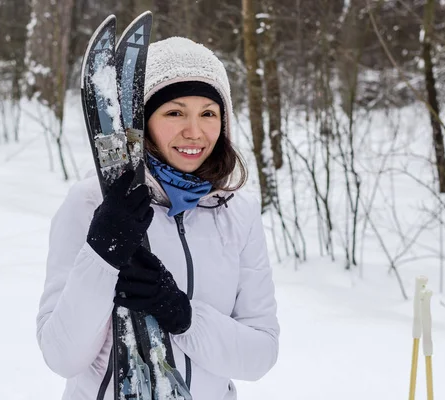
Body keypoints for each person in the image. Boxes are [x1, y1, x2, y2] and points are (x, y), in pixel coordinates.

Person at [36, 36, 279, 400]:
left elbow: (260, 355)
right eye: (175, 112)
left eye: (208, 113)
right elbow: (62, 356)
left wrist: (183, 316)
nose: (194, 132)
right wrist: (102, 255)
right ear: (143, 121)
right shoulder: (89, 205)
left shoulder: (237, 214)